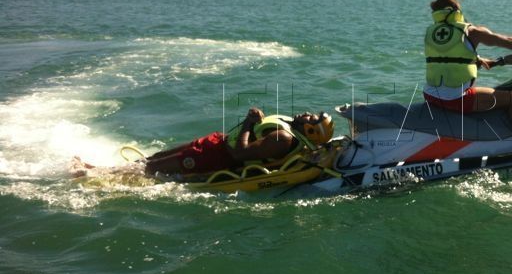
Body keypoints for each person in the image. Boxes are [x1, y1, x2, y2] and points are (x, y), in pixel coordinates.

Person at [423, 0, 512, 145]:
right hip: (456, 99)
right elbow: (510, 42)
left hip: (430, 95)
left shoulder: (430, 32)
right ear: (456, 11)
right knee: (511, 97)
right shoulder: (471, 32)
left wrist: (477, 59)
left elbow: (446, 56)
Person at [72, 109, 334, 178]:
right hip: (215, 143)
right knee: (157, 157)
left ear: (311, 129)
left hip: (218, 156)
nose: (306, 114)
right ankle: (100, 169)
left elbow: (241, 153)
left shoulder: (283, 138)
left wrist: (247, 122)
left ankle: (91, 173)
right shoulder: (288, 131)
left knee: (153, 168)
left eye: (312, 118)